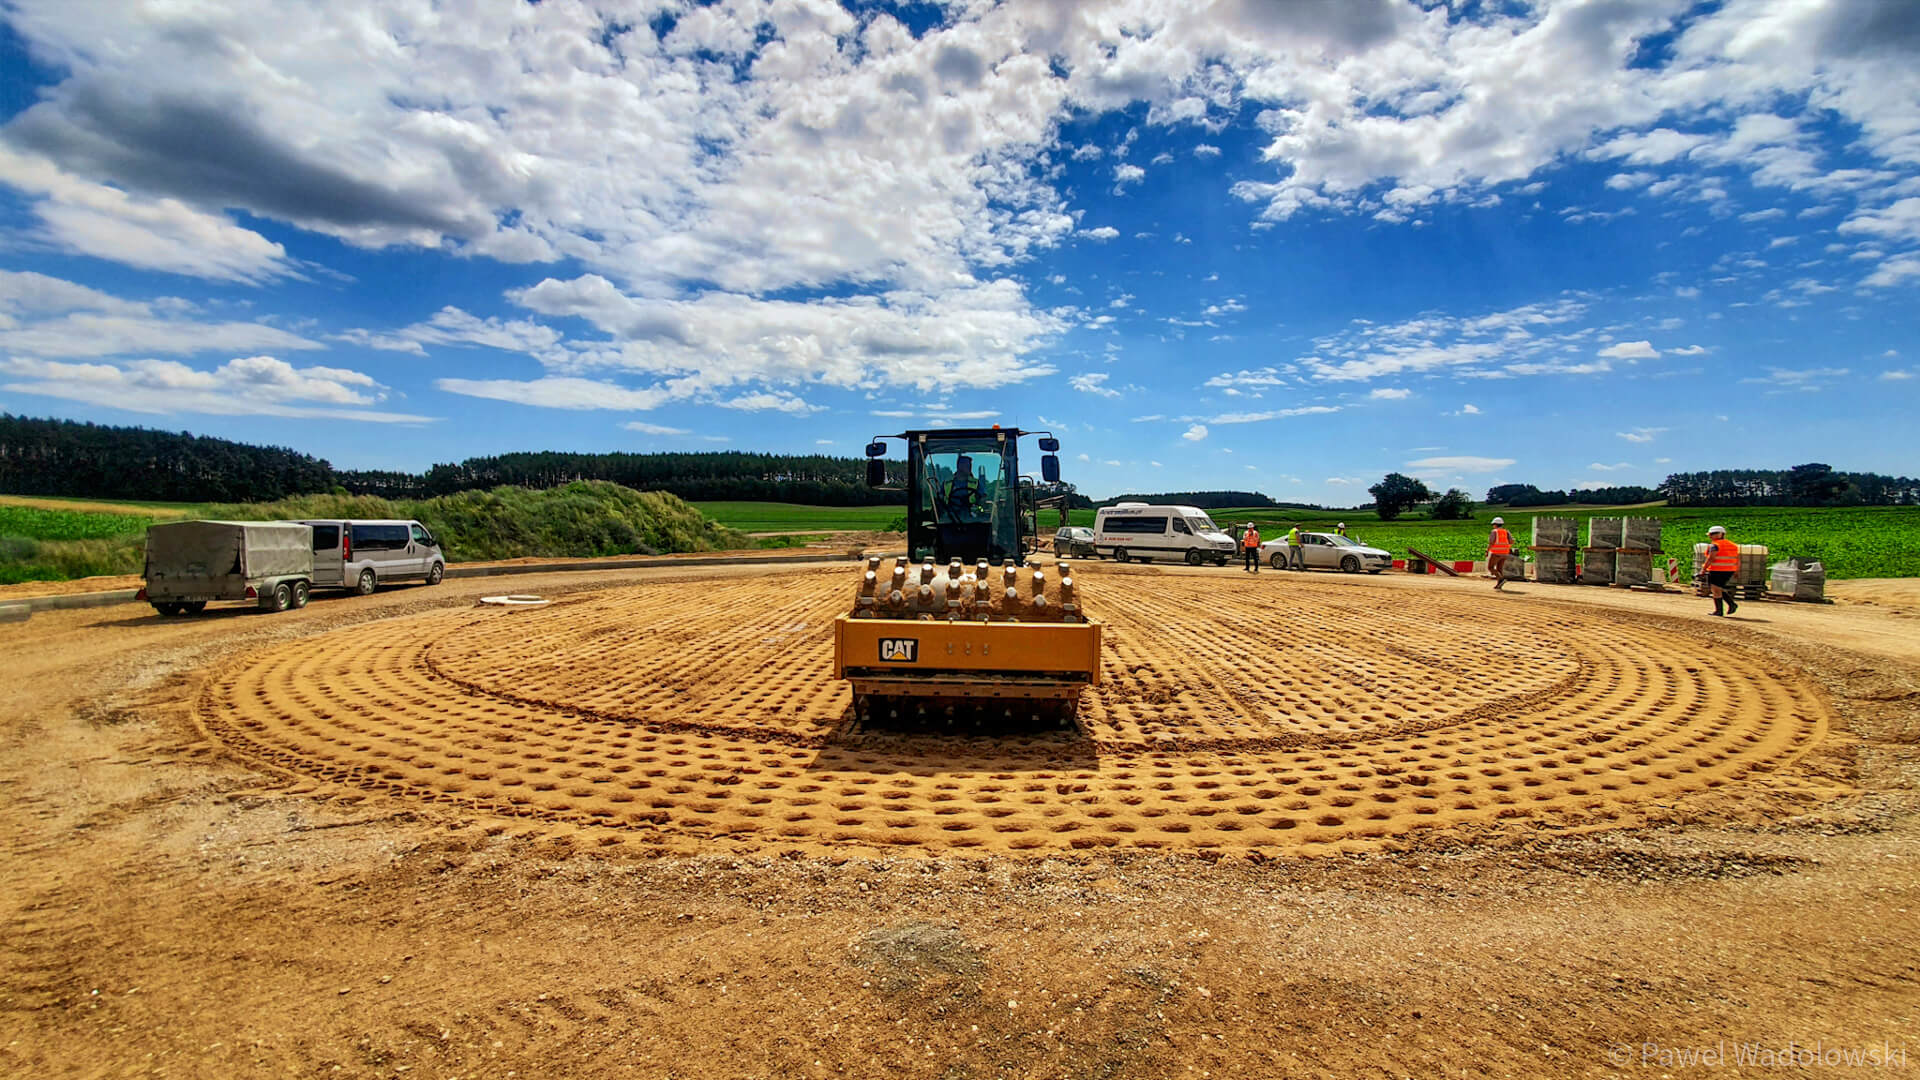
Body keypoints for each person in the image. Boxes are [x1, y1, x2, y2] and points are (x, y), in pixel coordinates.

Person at [1703, 524, 1740, 616]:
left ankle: (1721, 610)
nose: (1710, 537)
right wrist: (1737, 570)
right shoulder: (1733, 545)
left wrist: (1703, 569)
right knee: (1718, 588)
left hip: (1717, 570)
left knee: (1715, 589)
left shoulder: (1715, 546)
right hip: (1729, 570)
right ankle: (1730, 605)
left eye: (1711, 535)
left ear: (1717, 535)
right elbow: (1738, 559)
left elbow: (1711, 558)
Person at [939, 456, 988, 522]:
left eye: (970, 465)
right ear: (959, 466)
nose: (970, 468)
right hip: (950, 517)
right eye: (967, 465)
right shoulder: (947, 483)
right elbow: (940, 499)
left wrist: (980, 506)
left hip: (971, 517)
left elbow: (983, 499)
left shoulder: (976, 483)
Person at [1487, 515, 1515, 591]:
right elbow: (1512, 541)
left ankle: (1501, 579)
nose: (1493, 526)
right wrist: (1507, 547)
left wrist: (1487, 551)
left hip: (1496, 552)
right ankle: (1499, 584)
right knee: (1499, 569)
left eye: (1493, 524)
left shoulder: (1494, 532)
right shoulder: (1506, 531)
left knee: (1490, 567)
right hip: (1505, 552)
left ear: (1495, 524)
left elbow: (1491, 543)